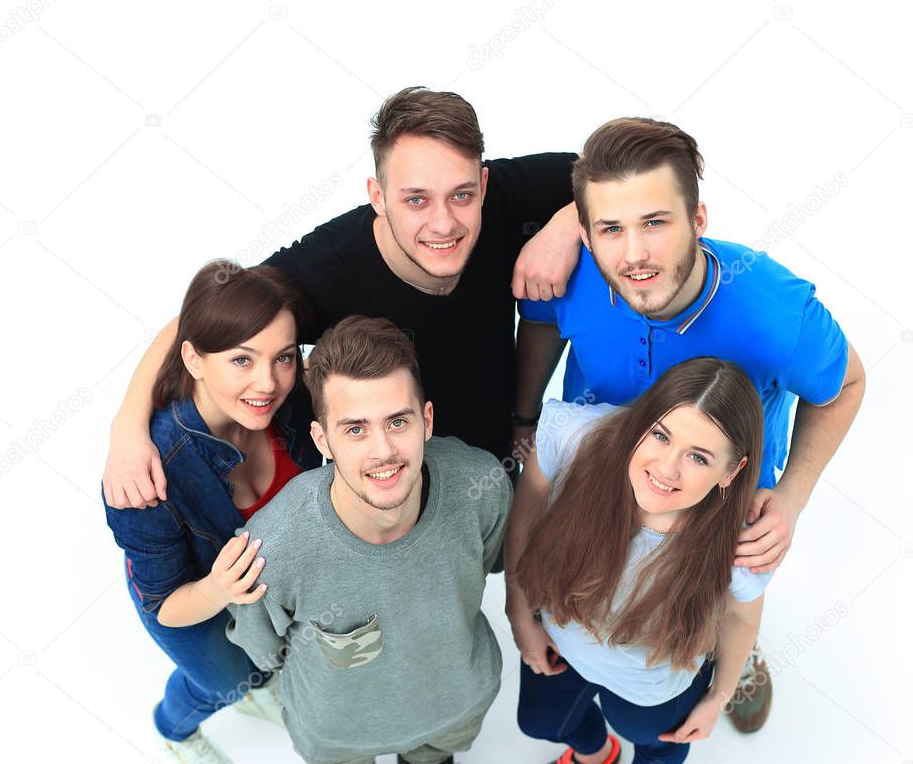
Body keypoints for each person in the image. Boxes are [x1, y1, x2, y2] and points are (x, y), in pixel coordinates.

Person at [514, 117, 866, 732]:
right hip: (602, 477)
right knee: (604, 577)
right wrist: (523, 419)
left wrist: (791, 499)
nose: (635, 255)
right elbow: (541, 323)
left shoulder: (775, 312)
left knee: (721, 592)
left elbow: (848, 385)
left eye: (656, 223)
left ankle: (729, 656)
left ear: (698, 221)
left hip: (713, 497)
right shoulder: (570, 268)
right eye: (611, 229)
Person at [102, 86, 583, 510]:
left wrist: (566, 226)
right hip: (382, 485)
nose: (443, 223)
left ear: (482, 184)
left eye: (460, 195)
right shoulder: (326, 267)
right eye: (415, 199)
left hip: (493, 466)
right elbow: (206, 321)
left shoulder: (506, 196)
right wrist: (127, 426)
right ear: (377, 196)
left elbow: (644, 165)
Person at [226, 316, 511, 764]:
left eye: (398, 422)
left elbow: (486, 562)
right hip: (336, 728)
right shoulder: (272, 546)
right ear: (323, 440)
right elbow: (264, 645)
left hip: (455, 693)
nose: (383, 451)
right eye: (355, 429)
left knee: (438, 749)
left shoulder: (481, 483)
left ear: (426, 420)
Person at [505, 358, 770, 764]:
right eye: (661, 435)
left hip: (654, 680)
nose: (665, 470)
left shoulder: (742, 541)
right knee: (538, 720)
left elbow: (740, 615)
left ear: (732, 471)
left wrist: (719, 697)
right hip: (564, 640)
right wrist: (520, 609)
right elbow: (529, 503)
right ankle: (592, 758)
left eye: (699, 457)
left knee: (656, 746)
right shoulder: (576, 435)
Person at [103, 261, 320, 764]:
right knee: (220, 681)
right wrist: (217, 592)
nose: (267, 383)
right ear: (193, 358)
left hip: (256, 582)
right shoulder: (152, 471)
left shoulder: (290, 403)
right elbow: (163, 604)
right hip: (187, 595)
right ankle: (175, 732)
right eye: (241, 360)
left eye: (283, 359)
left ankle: (255, 686)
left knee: (261, 664)